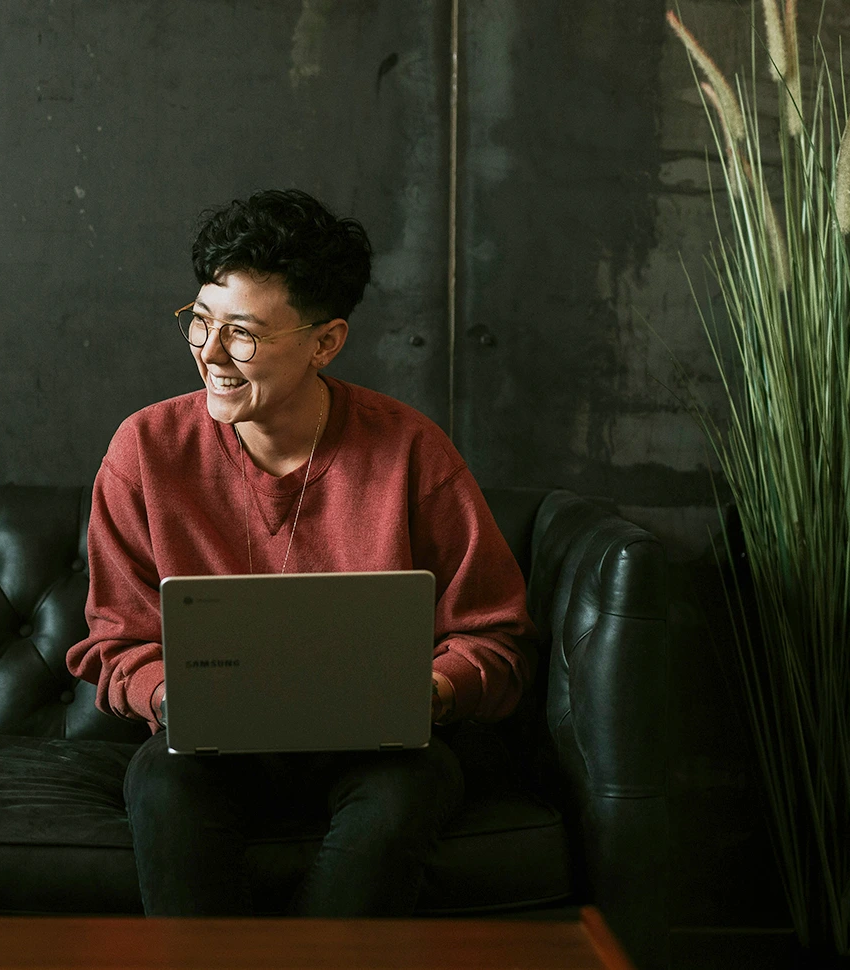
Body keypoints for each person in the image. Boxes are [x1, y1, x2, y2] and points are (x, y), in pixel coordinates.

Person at [65, 188, 535, 917]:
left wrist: (431, 692)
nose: (212, 353)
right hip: (209, 755)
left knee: (407, 791)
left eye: (243, 333)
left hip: (378, 752)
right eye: (200, 321)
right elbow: (116, 640)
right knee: (162, 783)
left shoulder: (409, 450)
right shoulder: (146, 450)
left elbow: (494, 636)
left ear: (326, 342)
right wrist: (170, 695)